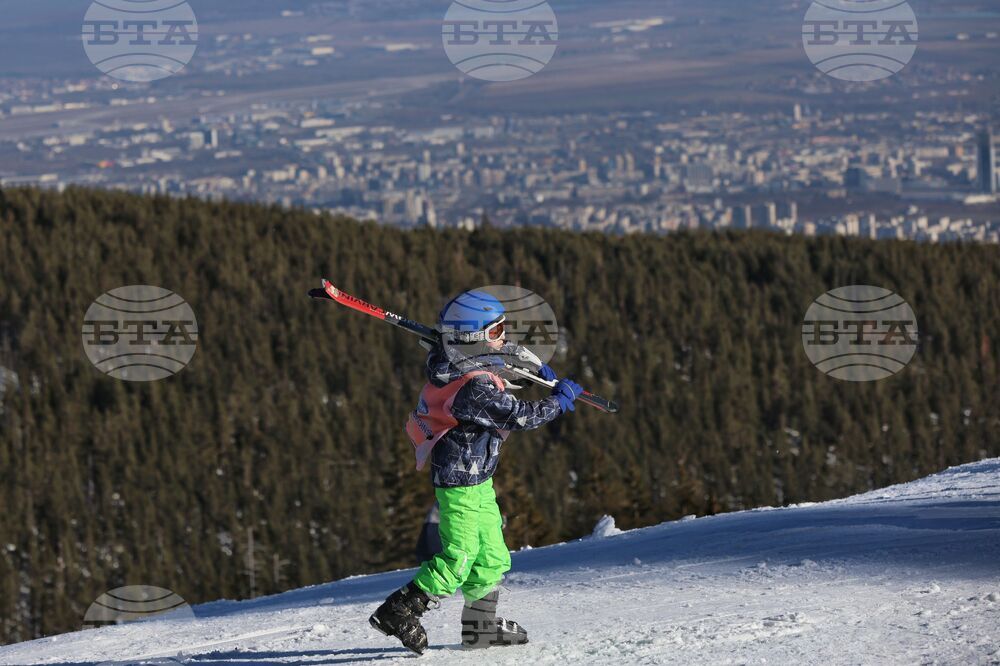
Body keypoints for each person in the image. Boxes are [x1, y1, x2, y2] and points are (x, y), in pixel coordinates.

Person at [369, 290, 584, 654]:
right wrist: (557, 401)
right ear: (473, 338)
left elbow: (500, 359)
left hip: (478, 476)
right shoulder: (472, 387)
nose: (504, 336)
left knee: (493, 556)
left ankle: (479, 626)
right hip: (459, 482)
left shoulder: (457, 358)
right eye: (498, 330)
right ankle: (399, 610)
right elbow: (519, 416)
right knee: (460, 556)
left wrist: (533, 371)